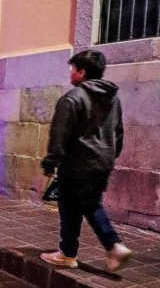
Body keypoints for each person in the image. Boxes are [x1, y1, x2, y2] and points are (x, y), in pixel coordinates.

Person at [40, 49, 131, 273]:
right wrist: (112, 154)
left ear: (81, 72)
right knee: (86, 204)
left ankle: (98, 247)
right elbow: (118, 131)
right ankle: (74, 251)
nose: (71, 73)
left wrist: (51, 161)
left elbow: (59, 134)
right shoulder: (112, 99)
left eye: (73, 69)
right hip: (103, 162)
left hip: (77, 164)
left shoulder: (73, 98)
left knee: (73, 206)